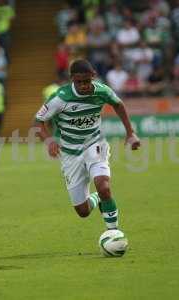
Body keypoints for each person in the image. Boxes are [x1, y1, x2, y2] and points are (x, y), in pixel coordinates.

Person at [33, 59, 140, 231]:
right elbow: (38, 121)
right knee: (83, 211)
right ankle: (98, 197)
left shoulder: (102, 91)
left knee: (104, 186)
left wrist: (130, 133)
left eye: (87, 81)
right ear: (72, 79)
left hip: (94, 144)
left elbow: (118, 105)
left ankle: (113, 233)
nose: (83, 85)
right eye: (79, 82)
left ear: (93, 76)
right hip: (70, 153)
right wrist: (49, 140)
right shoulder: (60, 98)